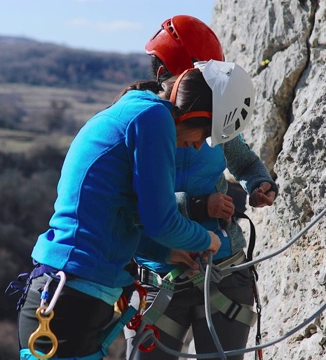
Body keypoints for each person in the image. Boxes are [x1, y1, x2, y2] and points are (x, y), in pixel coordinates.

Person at [9, 60, 255, 360]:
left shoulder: (136, 111)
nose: (197, 146)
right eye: (203, 135)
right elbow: (160, 220)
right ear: (196, 114)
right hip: (72, 302)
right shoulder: (153, 118)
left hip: (64, 295)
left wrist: (167, 253)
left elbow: (118, 221)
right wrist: (208, 240)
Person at [125, 15, 278, 360]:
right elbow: (136, 206)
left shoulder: (211, 116)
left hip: (223, 269)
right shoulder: (144, 122)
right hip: (161, 273)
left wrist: (261, 184)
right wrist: (197, 205)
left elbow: (246, 162)